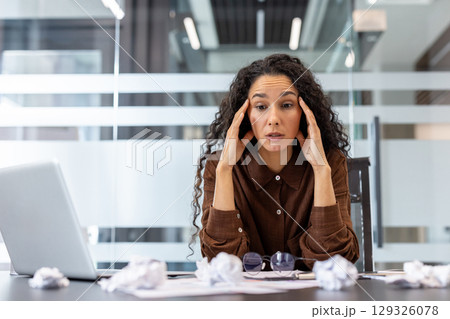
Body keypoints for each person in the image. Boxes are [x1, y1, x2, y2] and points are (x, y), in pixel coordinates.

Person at [190, 54, 359, 270]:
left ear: (305, 113)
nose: (273, 119)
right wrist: (225, 170)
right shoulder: (219, 166)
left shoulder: (330, 163)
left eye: (287, 104)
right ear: (244, 115)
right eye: (261, 107)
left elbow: (334, 263)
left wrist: (321, 170)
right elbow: (221, 262)